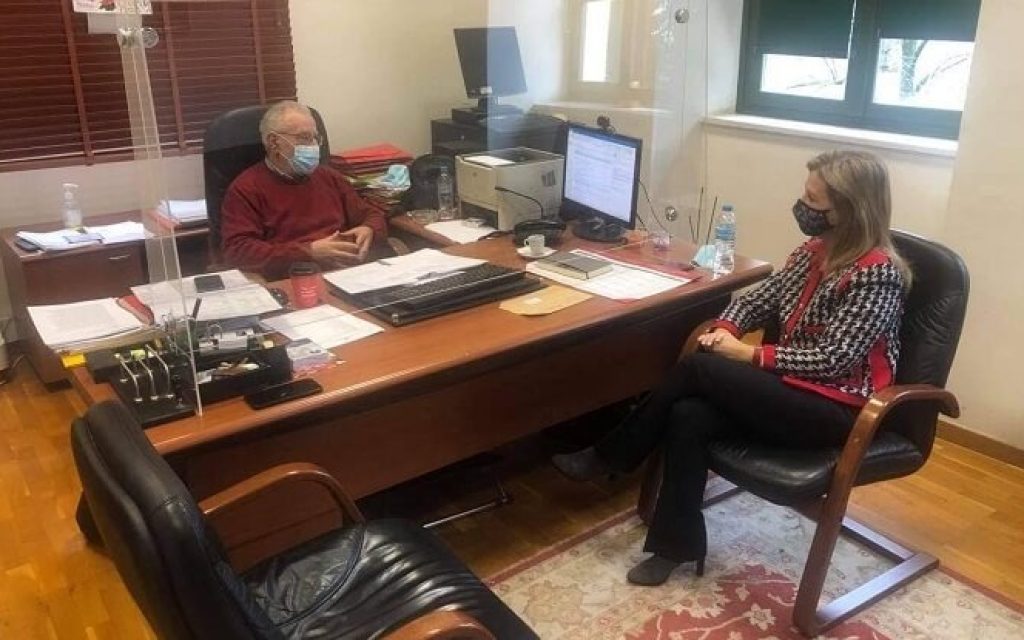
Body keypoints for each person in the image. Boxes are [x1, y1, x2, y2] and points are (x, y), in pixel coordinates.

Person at [552, 149, 911, 586]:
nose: (802, 206)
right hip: (789, 391)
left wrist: (748, 354)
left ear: (846, 210)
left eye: (813, 200)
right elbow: (757, 300)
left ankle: (612, 455)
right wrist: (726, 328)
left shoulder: (877, 275)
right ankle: (674, 546)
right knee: (688, 414)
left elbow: (834, 358)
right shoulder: (811, 253)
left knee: (698, 370)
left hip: (838, 412)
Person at [220, 101, 387, 279]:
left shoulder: (329, 177)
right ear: (274, 142)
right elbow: (238, 252)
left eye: (315, 138)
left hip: (347, 274)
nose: (314, 146)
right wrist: (308, 252)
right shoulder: (246, 188)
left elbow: (371, 214)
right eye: (304, 138)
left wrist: (369, 229)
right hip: (293, 278)